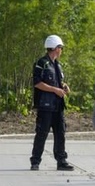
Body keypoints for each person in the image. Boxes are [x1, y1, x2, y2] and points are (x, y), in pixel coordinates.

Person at [30, 34, 75, 172]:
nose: (61, 51)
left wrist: (63, 87)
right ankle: (35, 161)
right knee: (42, 133)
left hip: (58, 106)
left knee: (60, 133)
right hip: (46, 106)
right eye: (61, 48)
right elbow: (37, 83)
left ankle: (61, 161)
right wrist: (55, 90)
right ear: (56, 48)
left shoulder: (58, 65)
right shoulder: (41, 63)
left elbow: (58, 82)